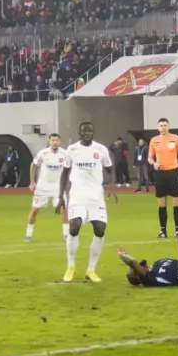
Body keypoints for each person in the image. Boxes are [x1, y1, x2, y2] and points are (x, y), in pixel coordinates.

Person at [58, 121, 113, 283]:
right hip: (77, 195)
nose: (87, 133)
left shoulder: (101, 149)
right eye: (84, 131)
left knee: (100, 229)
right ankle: (71, 266)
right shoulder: (72, 150)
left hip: (96, 195)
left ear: (93, 132)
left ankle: (91, 269)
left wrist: (110, 186)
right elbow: (65, 172)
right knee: (74, 226)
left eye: (90, 131)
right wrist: (61, 195)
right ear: (79, 133)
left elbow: (110, 168)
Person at [149, 118, 178, 238]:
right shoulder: (154, 140)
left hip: (174, 172)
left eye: (165, 125)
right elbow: (150, 157)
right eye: (161, 125)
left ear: (168, 126)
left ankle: (177, 230)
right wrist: (153, 163)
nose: (163, 127)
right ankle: (163, 230)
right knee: (161, 203)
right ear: (158, 127)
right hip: (160, 174)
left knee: (176, 201)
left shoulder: (176, 139)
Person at [25, 134, 68, 243]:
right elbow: (33, 165)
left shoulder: (65, 154)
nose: (54, 142)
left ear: (60, 141)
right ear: (49, 141)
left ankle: (66, 235)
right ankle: (28, 235)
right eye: (52, 140)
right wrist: (32, 182)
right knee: (34, 210)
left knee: (64, 210)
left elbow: (70, 167)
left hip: (58, 188)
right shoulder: (43, 153)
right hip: (42, 187)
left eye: (56, 140)